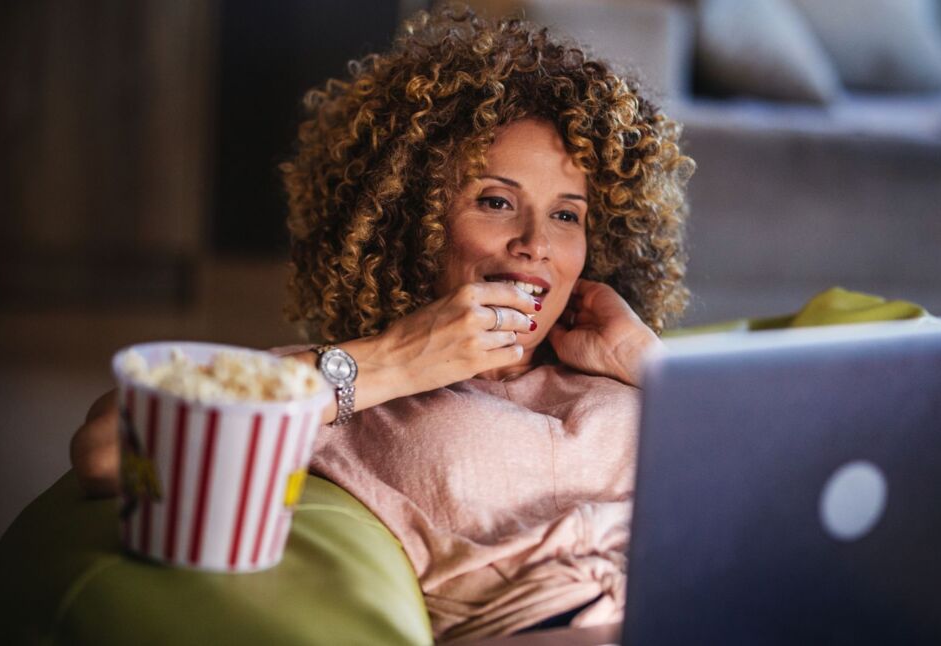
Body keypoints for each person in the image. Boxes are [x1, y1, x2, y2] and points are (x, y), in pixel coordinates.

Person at [70, 6, 694, 641]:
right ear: (412, 223)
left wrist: (651, 365)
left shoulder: (630, 368)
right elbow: (108, 449)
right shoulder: (361, 395)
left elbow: (787, 486)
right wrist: (397, 359)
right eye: (496, 202)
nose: (536, 243)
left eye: (567, 215)